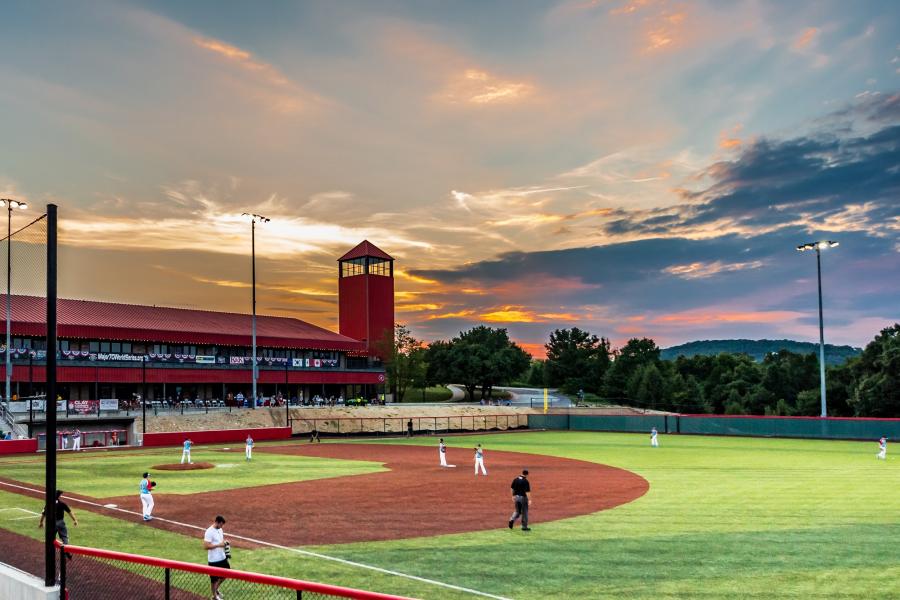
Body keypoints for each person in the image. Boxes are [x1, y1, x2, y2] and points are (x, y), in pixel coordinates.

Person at [39, 489, 78, 558]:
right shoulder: (62, 504)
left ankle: (50, 554)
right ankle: (66, 551)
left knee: (50, 538)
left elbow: (43, 514)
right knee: (64, 538)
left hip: (52, 524)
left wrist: (41, 522)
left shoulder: (49, 504)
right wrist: (75, 520)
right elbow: (69, 512)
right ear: (58, 496)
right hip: (61, 523)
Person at [204, 515, 230, 600]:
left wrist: (225, 543)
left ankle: (216, 589)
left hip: (222, 557)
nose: (222, 527)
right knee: (214, 579)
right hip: (214, 560)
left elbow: (221, 541)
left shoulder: (220, 529)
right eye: (221, 524)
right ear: (217, 522)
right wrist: (219, 545)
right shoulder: (209, 531)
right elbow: (206, 546)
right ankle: (214, 596)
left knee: (226, 574)